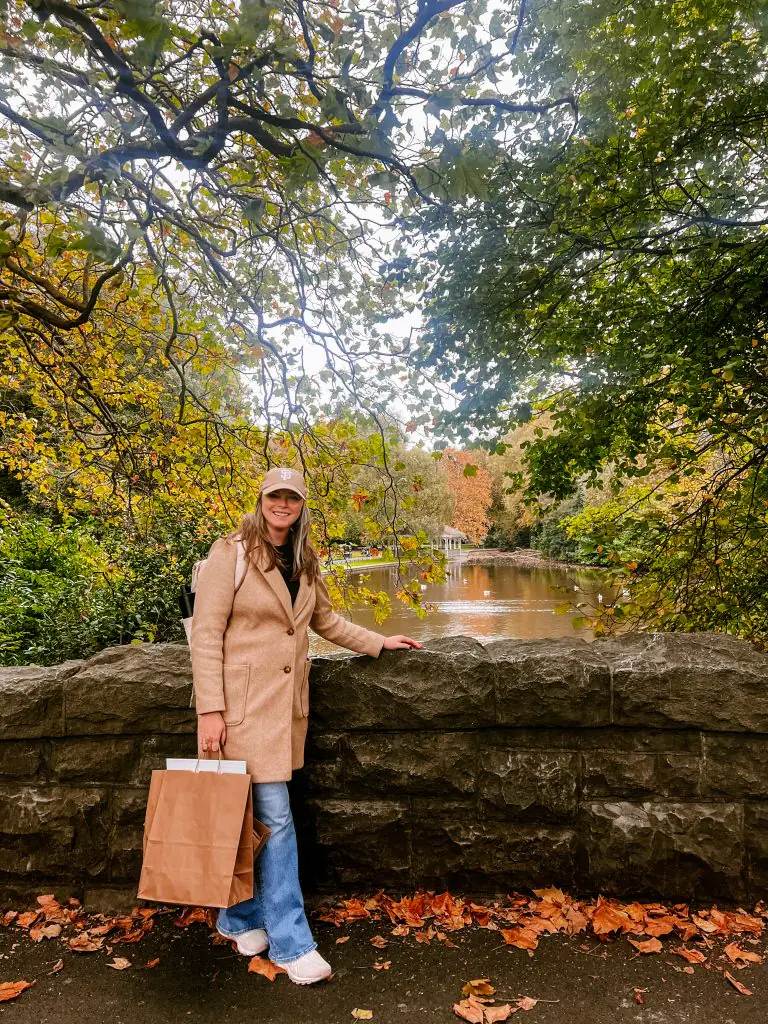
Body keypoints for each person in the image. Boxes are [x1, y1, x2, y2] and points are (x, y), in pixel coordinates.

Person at [191, 467, 422, 984]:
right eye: (275, 495)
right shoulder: (229, 553)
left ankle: (238, 917)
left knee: (248, 816)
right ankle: (292, 943)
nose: (282, 504)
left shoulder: (304, 559)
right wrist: (209, 710)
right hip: (238, 710)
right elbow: (206, 635)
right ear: (260, 500)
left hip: (284, 711)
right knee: (273, 818)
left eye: (291, 497)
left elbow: (326, 622)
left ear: (301, 506)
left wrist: (379, 643)